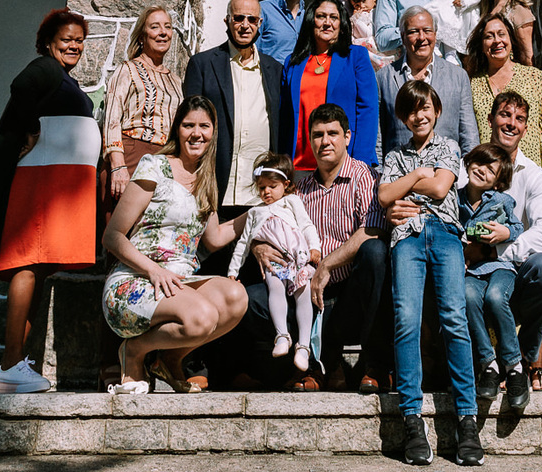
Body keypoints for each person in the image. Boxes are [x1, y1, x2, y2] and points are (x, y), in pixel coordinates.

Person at [0, 7, 100, 395]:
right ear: (48, 43)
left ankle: (17, 366)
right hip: (40, 184)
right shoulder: (45, 68)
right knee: (28, 265)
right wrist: (30, 130)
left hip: (54, 187)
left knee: (38, 269)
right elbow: (20, 87)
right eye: (66, 39)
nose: (74, 46)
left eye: (79, 40)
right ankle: (10, 364)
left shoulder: (62, 77)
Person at [101, 94, 250, 392]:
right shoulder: (155, 166)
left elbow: (214, 238)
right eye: (188, 125)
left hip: (180, 283)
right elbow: (112, 236)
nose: (197, 133)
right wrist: (154, 270)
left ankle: (169, 359)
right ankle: (134, 350)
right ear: (177, 130)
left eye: (204, 126)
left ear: (213, 132)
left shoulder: (206, 178)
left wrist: (258, 214)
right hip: (136, 280)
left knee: (236, 298)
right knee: (202, 317)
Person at [249, 103, 388, 392]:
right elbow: (267, 221)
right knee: (252, 300)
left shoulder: (364, 176)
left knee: (375, 253)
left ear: (347, 137)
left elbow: (372, 230)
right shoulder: (300, 190)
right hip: (306, 290)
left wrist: (327, 264)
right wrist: (258, 245)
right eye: (317, 135)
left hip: (350, 292)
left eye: (332, 133)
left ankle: (375, 365)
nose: (325, 141)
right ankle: (314, 366)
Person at [379, 81, 483, 468]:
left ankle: (467, 421)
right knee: (406, 319)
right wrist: (416, 176)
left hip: (443, 234)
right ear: (403, 118)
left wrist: (407, 185)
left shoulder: (449, 147)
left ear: (436, 111)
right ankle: (412, 419)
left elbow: (440, 188)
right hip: (406, 237)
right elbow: (384, 197)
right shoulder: (395, 154)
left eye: (425, 108)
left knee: (454, 317)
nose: (419, 116)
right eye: (411, 111)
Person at [485, 89, 542, 383]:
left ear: (525, 128)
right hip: (474, 275)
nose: (512, 123)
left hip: (518, 279)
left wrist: (499, 249)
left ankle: (524, 354)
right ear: (490, 120)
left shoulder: (535, 175)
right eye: (505, 115)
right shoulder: (467, 168)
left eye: (519, 119)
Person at [182, 0, 283, 220]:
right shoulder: (203, 65)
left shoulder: (275, 70)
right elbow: (190, 125)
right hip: (216, 185)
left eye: (252, 19)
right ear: (227, 20)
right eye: (238, 18)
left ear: (259, 23)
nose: (245, 25)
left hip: (260, 189)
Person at [227, 152, 321, 373]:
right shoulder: (255, 212)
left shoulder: (291, 201)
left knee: (303, 293)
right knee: (275, 287)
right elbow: (243, 243)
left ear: (285, 185)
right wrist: (233, 271)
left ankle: (304, 346)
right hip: (275, 262)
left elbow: (306, 224)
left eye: (272, 186)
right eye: (262, 187)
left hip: (297, 258)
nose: (266, 192)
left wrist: (314, 247)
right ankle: (282, 335)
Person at [281, 0, 380, 170]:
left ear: (341, 24)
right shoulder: (293, 62)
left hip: (344, 161)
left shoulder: (356, 57)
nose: (327, 23)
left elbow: (368, 110)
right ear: (311, 21)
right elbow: (285, 115)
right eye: (321, 16)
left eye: (334, 17)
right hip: (299, 162)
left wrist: (360, 162)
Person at [458, 143, 523, 402]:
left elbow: (518, 228)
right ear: (468, 163)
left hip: (500, 267)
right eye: (479, 163)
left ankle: (514, 366)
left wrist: (506, 232)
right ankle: (489, 364)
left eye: (491, 170)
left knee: (496, 297)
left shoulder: (502, 201)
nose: (482, 170)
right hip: (471, 270)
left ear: (498, 183)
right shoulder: (454, 199)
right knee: (467, 296)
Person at [467, 15, 542, 183]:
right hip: (488, 177)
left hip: (529, 176)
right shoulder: (472, 85)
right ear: (481, 45)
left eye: (501, 34)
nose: (497, 41)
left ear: (511, 39)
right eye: (489, 36)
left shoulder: (534, 77)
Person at [378, 7, 479, 156]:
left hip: (446, 168)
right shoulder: (383, 78)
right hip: (399, 169)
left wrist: (470, 165)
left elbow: (469, 134)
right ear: (403, 37)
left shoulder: (458, 76)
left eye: (427, 31)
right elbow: (377, 136)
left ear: (435, 35)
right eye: (413, 31)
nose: (421, 37)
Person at [103, 7, 183, 193]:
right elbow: (111, 119)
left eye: (168, 27)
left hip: (165, 159)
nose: (163, 32)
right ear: (141, 37)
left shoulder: (176, 81)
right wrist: (118, 165)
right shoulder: (127, 70)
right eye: (155, 27)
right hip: (131, 155)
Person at [350, 0, 388, 70]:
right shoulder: (358, 16)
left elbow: (368, 34)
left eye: (364, 1)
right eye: (357, 5)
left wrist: (357, 21)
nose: (362, 6)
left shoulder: (377, 12)